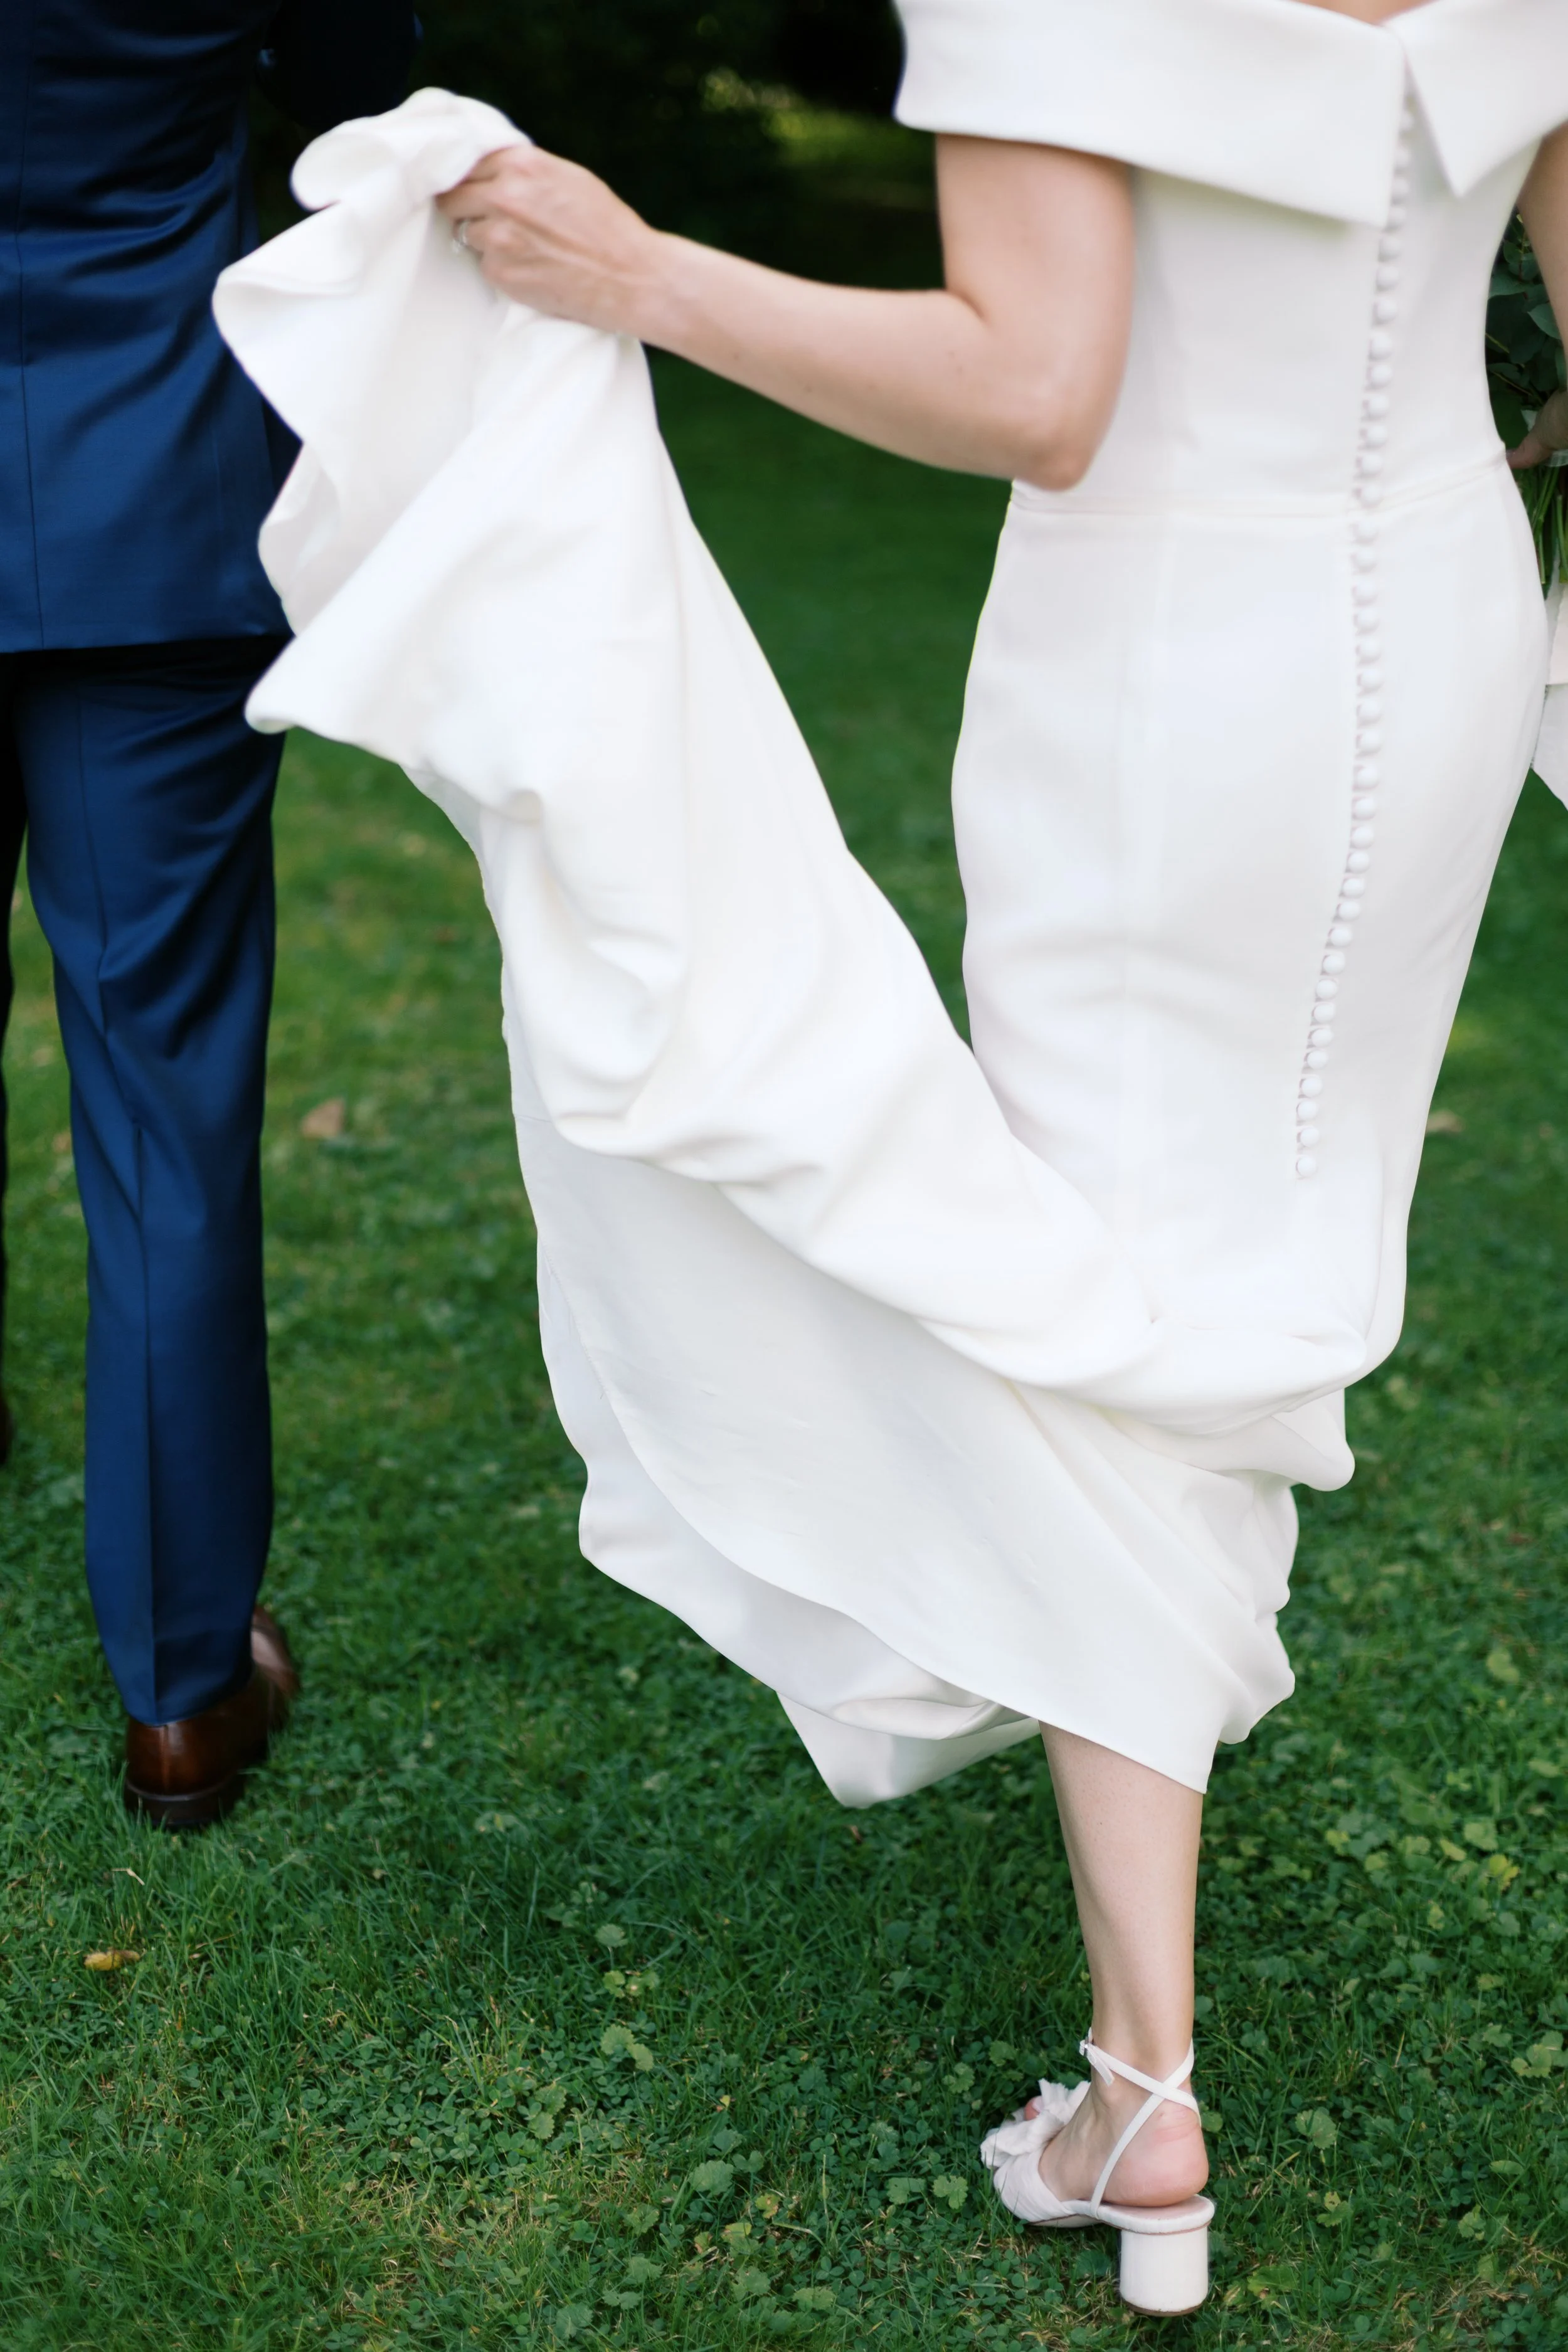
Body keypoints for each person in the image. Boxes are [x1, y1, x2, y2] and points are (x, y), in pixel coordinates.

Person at [218, 0, 1568, 2312]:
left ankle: (1145, 2087)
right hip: (1427, 634)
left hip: (1162, 664)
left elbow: (1028, 393)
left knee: (1087, 1287)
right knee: (1228, 1264)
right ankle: (1137, 2062)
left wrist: (643, 270)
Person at [0, 1, 415, 1827]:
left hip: (154, 534)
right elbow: (375, 131)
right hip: (151, 503)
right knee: (163, 1108)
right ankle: (180, 1684)